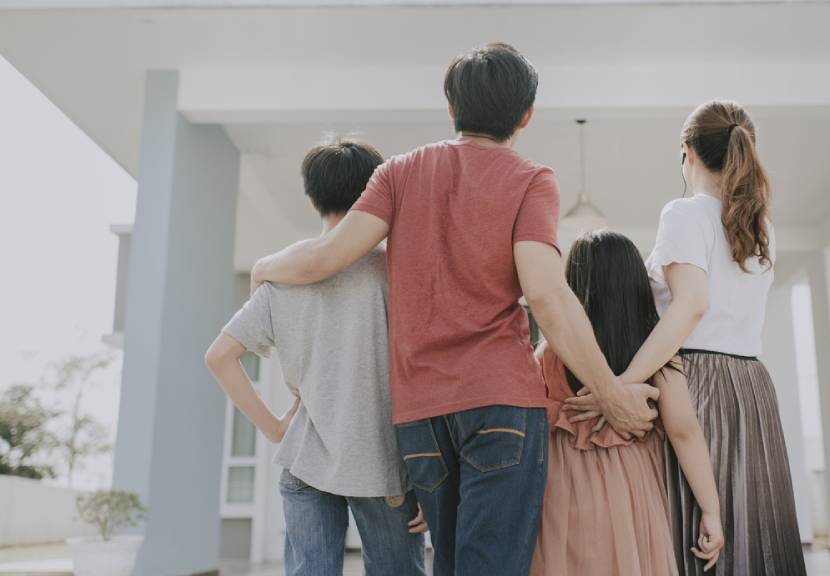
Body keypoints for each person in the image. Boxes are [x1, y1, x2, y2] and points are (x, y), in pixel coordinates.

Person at [247, 43, 658, 576]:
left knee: (450, 562)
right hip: (500, 404)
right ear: (526, 115)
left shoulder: (398, 173)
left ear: (450, 106)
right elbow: (548, 296)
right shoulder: (531, 180)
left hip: (420, 413)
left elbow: (328, 256)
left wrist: (265, 265)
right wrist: (612, 394)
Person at [566, 100, 808, 575]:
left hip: (697, 382)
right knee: (752, 530)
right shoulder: (762, 228)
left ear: (688, 153)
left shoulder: (683, 213)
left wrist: (624, 385)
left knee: (696, 532)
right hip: (752, 387)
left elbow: (691, 305)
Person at [204, 138, 427, 576]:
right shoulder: (396, 271)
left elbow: (219, 357)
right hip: (384, 464)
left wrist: (273, 428)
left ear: (312, 198)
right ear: (375, 192)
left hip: (306, 458)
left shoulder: (282, 279)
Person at [530, 231, 724, 576]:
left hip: (559, 490)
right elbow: (685, 434)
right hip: (632, 494)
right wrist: (711, 510)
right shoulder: (657, 357)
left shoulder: (551, 353)